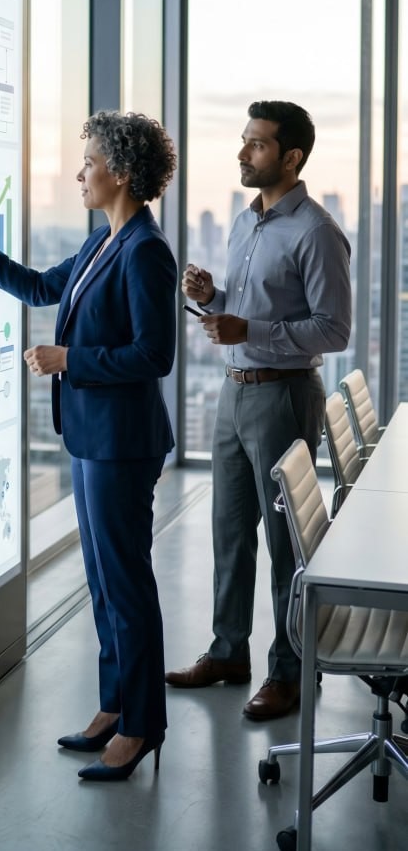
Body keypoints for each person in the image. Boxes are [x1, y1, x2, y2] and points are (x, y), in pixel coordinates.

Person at [0, 110, 177, 780]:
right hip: (93, 437)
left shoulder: (144, 251)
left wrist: (67, 358)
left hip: (121, 444)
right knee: (104, 581)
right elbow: (45, 287)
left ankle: (142, 724)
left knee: (126, 583)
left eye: (90, 163)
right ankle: (114, 702)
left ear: (122, 175)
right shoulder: (104, 242)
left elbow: (153, 354)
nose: (80, 174)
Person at [165, 100, 351, 720]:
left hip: (283, 395)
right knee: (228, 531)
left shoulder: (318, 232)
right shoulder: (248, 222)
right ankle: (227, 652)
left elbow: (334, 330)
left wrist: (252, 326)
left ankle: (292, 671)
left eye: (258, 145)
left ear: (291, 158)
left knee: (284, 542)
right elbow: (246, 308)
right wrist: (211, 296)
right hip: (233, 391)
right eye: (244, 141)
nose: (243, 153)